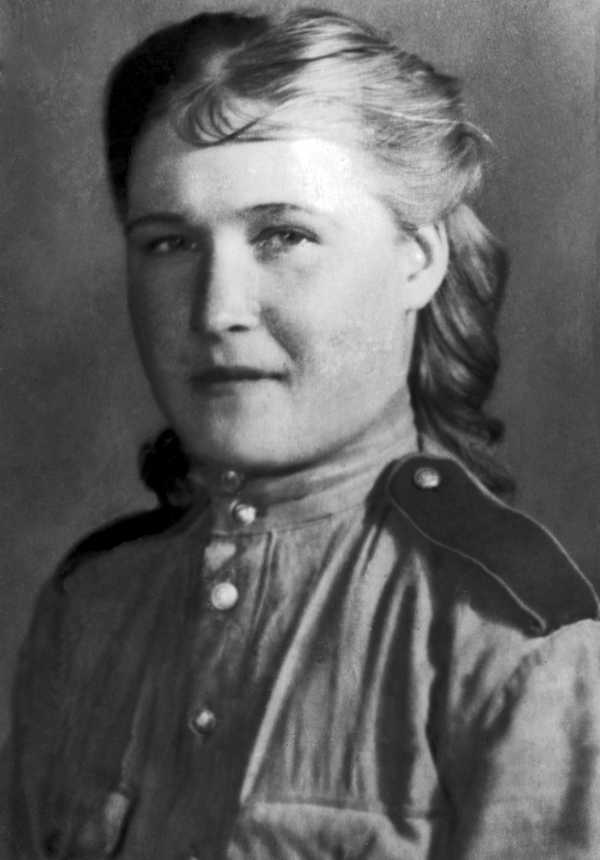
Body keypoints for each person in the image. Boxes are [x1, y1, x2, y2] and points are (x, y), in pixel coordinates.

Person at [5, 7, 600, 859]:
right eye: (169, 243)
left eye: (284, 234)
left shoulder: (512, 643)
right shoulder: (90, 610)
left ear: (417, 257)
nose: (217, 310)